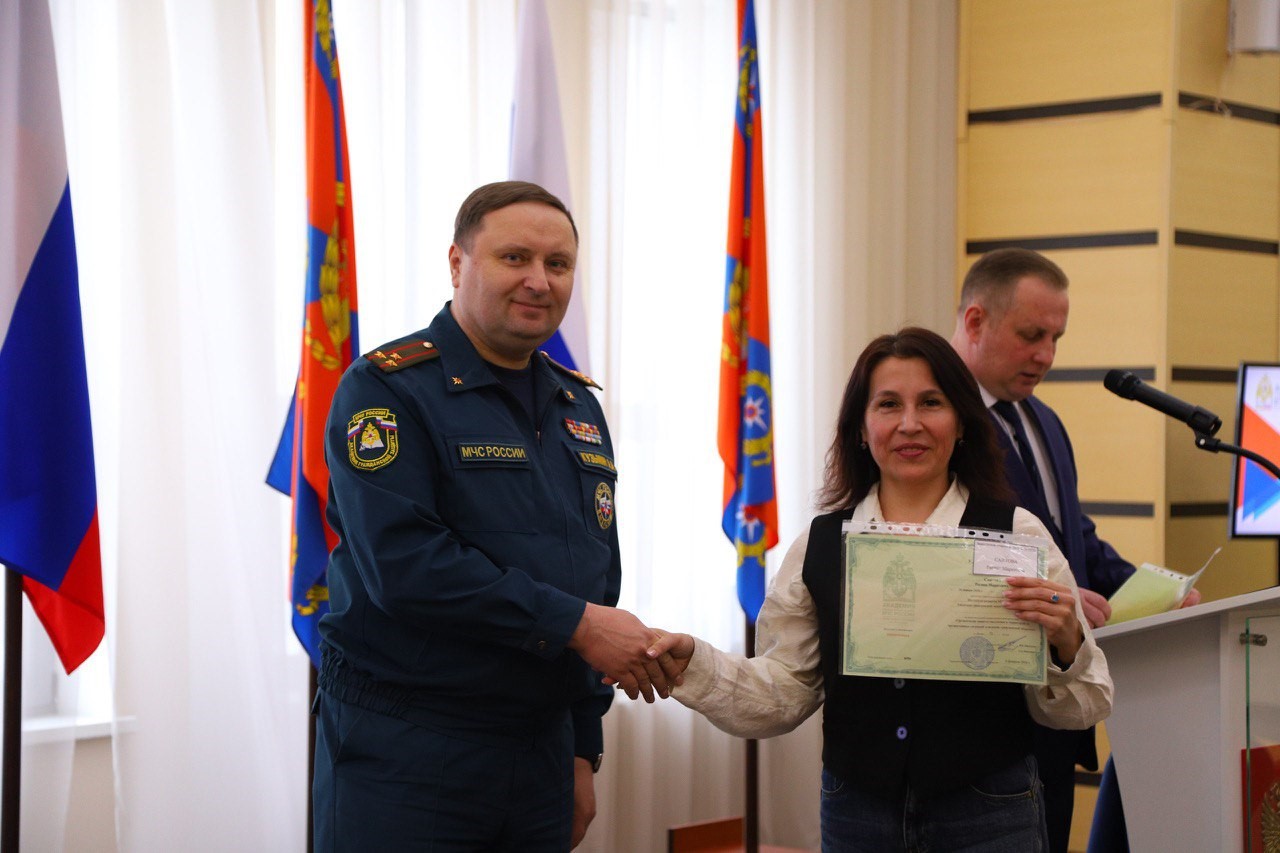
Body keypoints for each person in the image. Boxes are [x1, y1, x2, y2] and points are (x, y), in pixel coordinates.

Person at [312, 181, 677, 852]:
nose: (539, 281)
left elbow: (595, 577)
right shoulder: (386, 389)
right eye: (515, 258)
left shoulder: (577, 406)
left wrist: (581, 746)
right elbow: (406, 567)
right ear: (458, 263)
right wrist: (577, 624)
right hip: (410, 750)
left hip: (540, 754)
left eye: (558, 264)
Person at [648, 327, 1113, 852]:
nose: (910, 424)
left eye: (931, 403)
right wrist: (693, 665)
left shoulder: (1018, 535)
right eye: (889, 404)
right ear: (861, 429)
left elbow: (1082, 707)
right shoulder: (820, 545)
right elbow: (784, 691)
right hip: (856, 816)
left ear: (961, 422)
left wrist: (1067, 641)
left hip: (990, 815)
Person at [948, 248, 1198, 853]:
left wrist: (1155, 589)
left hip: (1056, 712)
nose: (1047, 355)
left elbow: (1073, 540)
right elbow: (949, 558)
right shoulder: (937, 427)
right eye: (1032, 335)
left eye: (1056, 338)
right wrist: (1054, 595)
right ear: (976, 321)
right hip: (983, 724)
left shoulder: (1043, 420)